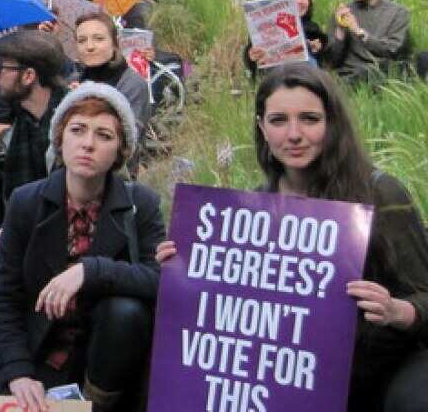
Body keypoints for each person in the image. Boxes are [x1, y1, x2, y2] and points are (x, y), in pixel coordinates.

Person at [158, 65, 428, 412]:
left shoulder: (380, 192)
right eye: (279, 120)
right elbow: (233, 318)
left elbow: (423, 294)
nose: (294, 134)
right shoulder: (249, 211)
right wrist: (183, 270)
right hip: (295, 378)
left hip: (380, 367)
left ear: (332, 125)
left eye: (310, 119)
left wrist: (398, 311)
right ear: (262, 128)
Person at [0, 83, 164, 411]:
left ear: (120, 151)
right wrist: (18, 372)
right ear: (60, 138)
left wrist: (89, 270)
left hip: (106, 361)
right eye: (78, 130)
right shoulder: (27, 202)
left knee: (125, 310)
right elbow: (2, 296)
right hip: (38, 351)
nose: (88, 144)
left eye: (104, 136)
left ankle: (99, 403)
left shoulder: (141, 204)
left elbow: (158, 280)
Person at [0, 30, 69, 244]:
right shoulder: (25, 120)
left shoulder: (71, 123)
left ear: (29, 76)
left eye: (2, 67)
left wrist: (8, 236)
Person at [325, 0, 412, 81]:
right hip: (351, 76)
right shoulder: (343, 13)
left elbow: (394, 50)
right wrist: (340, 32)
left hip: (384, 74)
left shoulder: (398, 13)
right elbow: (332, 62)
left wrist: (360, 33)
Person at [70, 12, 151, 143]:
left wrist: (86, 103)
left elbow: (127, 139)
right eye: (82, 40)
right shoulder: (74, 81)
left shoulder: (132, 84)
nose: (89, 47)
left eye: (99, 38)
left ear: (115, 43)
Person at [246, 0, 328, 72]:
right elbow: (252, 62)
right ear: (281, 0)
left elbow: (325, 58)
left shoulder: (313, 28)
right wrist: (251, 56)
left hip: (307, 74)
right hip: (277, 76)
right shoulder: (264, 26)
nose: (300, 1)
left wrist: (318, 47)